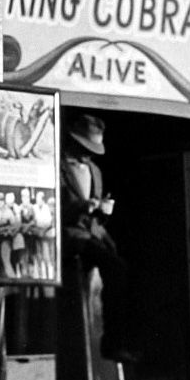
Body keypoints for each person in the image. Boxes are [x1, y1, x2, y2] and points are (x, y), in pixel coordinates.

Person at [60, 113, 136, 363]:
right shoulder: (56, 166)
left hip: (93, 232)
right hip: (68, 234)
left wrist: (103, 214)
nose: (89, 153)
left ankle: (118, 340)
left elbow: (95, 220)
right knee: (114, 266)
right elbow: (54, 209)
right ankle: (112, 343)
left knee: (121, 265)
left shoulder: (94, 169)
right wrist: (84, 206)